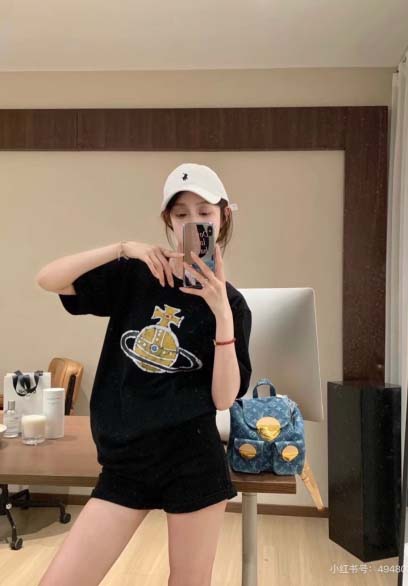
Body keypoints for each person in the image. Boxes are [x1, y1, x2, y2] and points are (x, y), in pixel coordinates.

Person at [36, 162, 252, 586]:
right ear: (168, 221)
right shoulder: (136, 274)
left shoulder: (232, 304)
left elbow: (224, 398)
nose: (193, 222)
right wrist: (122, 248)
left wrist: (222, 314)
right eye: (181, 213)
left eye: (204, 212)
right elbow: (48, 279)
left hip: (192, 460)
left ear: (223, 217)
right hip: (126, 462)